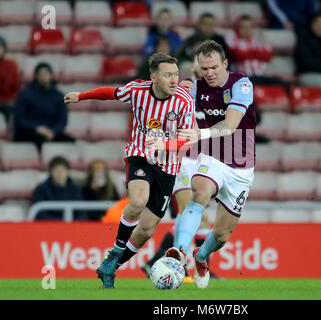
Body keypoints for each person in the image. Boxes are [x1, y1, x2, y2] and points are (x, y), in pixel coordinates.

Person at [64, 52, 195, 289]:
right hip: (140, 156)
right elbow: (110, 93)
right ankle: (115, 251)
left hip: (168, 166)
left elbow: (186, 140)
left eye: (176, 74)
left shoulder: (184, 100)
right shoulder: (137, 90)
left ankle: (110, 266)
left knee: (146, 229)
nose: (174, 79)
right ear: (154, 77)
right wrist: (81, 96)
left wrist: (164, 144)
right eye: (168, 75)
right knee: (138, 201)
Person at [151, 40, 256, 289]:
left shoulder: (241, 84)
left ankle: (200, 257)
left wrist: (201, 134)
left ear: (225, 64)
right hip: (212, 158)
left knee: (221, 235)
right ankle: (180, 252)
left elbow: (230, 125)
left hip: (242, 167)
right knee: (200, 193)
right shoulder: (196, 88)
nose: (209, 73)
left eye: (214, 68)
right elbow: (167, 95)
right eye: (204, 68)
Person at [13, 62, 74, 152]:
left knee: (70, 142)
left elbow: (62, 120)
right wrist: (37, 128)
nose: (44, 77)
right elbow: (19, 119)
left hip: (51, 133)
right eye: (41, 74)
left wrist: (53, 131)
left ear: (51, 75)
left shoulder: (58, 95)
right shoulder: (25, 94)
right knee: (40, 140)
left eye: (46, 74)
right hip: (29, 132)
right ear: (36, 76)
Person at [228, 14, 290, 89]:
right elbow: (237, 55)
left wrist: (248, 52)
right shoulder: (232, 41)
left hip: (264, 76)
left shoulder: (258, 41)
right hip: (246, 78)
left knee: (286, 85)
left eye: (249, 27)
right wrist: (257, 53)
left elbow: (268, 56)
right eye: (244, 27)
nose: (247, 30)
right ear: (237, 28)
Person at [32, 156, 85, 220]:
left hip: (73, 226)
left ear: (67, 172)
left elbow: (82, 212)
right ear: (51, 172)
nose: (60, 174)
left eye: (62, 170)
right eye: (56, 170)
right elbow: (40, 214)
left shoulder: (76, 189)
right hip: (49, 226)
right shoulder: (41, 189)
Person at [0, 35, 21, 122]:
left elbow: (16, 86)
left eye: (0, 47)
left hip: (9, 101)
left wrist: (11, 99)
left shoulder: (11, 64)